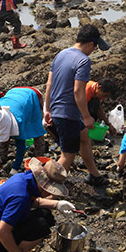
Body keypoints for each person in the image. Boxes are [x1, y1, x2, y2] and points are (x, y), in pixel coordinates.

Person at [43, 23, 111, 185]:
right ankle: (46, 187)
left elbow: (49, 85)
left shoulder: (61, 54)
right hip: (68, 115)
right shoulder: (83, 61)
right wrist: (87, 117)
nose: (93, 51)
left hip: (56, 110)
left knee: (84, 138)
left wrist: (47, 109)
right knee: (68, 155)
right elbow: (78, 91)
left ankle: (94, 175)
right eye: (94, 48)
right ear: (89, 44)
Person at [0, 157, 70, 252]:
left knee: (46, 215)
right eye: (51, 191)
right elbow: (2, 231)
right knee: (40, 226)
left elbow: (30, 202)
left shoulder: (23, 179)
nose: (51, 194)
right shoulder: (20, 196)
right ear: (43, 185)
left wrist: (57, 205)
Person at [0, 86, 47, 170]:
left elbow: (20, 146)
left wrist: (15, 168)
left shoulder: (18, 122)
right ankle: (2, 159)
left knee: (36, 128)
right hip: (13, 93)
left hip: (32, 95)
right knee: (2, 135)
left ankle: (39, 158)